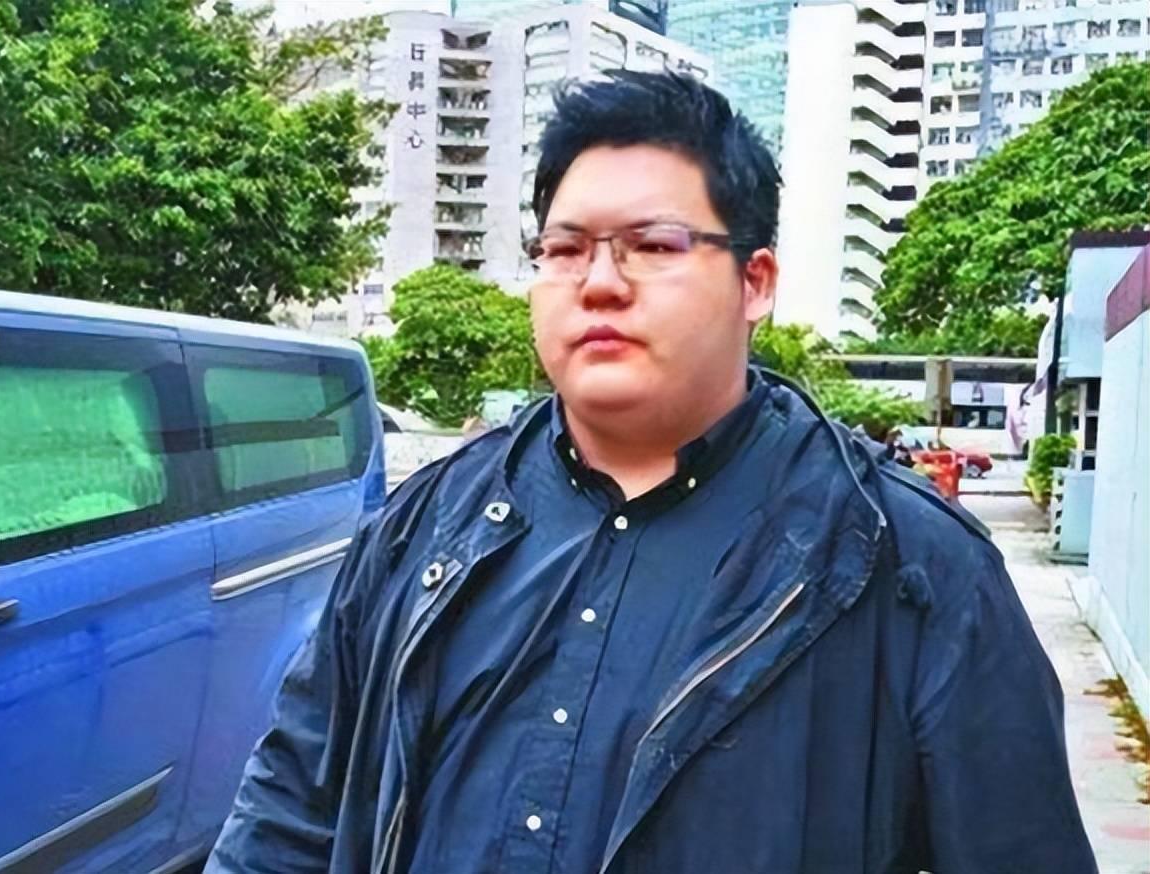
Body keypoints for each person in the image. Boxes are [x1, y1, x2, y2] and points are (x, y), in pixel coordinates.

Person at [206, 71, 1096, 873]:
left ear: (755, 282)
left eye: (655, 245)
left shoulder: (905, 566)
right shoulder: (424, 529)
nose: (599, 282)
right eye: (565, 250)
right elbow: (289, 814)